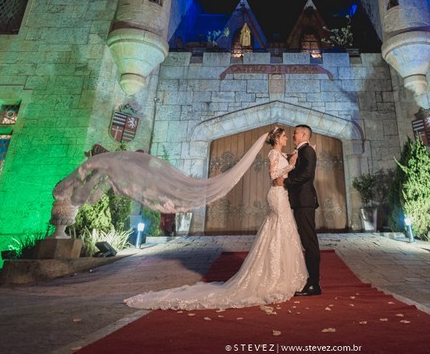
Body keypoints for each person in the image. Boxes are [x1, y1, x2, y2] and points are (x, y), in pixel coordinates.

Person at [123, 126, 307, 310]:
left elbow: (287, 162)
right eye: (283, 136)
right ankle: (273, 276)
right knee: (279, 229)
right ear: (276, 139)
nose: (286, 138)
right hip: (277, 194)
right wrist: (292, 164)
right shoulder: (274, 154)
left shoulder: (281, 154)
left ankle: (282, 273)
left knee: (280, 230)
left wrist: (293, 156)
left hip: (282, 195)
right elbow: (275, 176)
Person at [285, 124, 321, 296]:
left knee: (310, 242)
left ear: (305, 135)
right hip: (300, 201)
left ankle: (314, 284)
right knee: (306, 241)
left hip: (305, 201)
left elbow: (307, 174)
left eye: (296, 133)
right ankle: (309, 280)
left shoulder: (307, 151)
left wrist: (286, 182)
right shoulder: (301, 152)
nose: (293, 135)